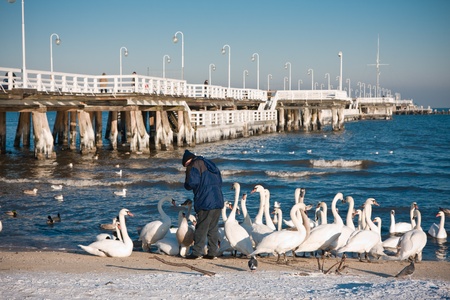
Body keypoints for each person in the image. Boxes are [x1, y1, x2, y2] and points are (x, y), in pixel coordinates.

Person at [182, 150, 224, 259]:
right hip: (218, 199)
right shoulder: (209, 164)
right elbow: (219, 180)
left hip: (205, 200)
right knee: (213, 228)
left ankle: (196, 252)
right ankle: (212, 252)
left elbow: (192, 182)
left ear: (188, 161)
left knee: (201, 227)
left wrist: (186, 184)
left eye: (185, 165)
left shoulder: (194, 165)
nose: (186, 167)